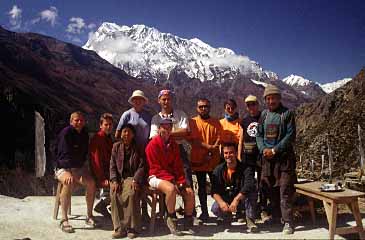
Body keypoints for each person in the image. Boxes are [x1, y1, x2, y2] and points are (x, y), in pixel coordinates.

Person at [256, 84, 297, 235]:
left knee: (284, 190)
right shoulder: (264, 115)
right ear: (265, 100)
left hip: (284, 159)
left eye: (274, 98)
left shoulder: (287, 114)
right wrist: (263, 149)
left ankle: (288, 222)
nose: (271, 101)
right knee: (270, 188)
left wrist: (274, 150)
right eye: (268, 98)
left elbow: (290, 136)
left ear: (279, 98)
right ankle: (276, 216)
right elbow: (258, 135)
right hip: (267, 159)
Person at [146, 118, 195, 236]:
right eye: (164, 128)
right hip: (155, 176)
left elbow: (178, 165)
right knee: (171, 189)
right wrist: (173, 181)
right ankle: (171, 218)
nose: (166, 130)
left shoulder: (173, 145)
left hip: (171, 177)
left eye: (169, 128)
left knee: (189, 192)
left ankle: (188, 220)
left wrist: (181, 181)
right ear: (159, 129)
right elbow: (155, 168)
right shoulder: (152, 145)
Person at [55, 111, 97, 233]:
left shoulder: (84, 134)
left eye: (81, 120)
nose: (79, 123)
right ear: (71, 121)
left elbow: (84, 154)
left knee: (91, 183)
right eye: (76, 120)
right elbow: (62, 155)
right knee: (68, 181)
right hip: (62, 167)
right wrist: (68, 171)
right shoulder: (66, 133)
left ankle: (89, 216)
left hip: (78, 167)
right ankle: (64, 219)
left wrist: (82, 169)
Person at [115, 90, 152, 221]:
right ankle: (135, 211)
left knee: (143, 180)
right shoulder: (127, 114)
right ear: (132, 101)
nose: (138, 101)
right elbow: (118, 133)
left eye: (140, 99)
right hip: (132, 152)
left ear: (143, 101)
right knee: (135, 180)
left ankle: (144, 210)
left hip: (146, 151)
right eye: (135, 99)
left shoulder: (148, 116)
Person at [109, 124, 147, 239]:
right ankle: (119, 228)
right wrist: (114, 180)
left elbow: (142, 166)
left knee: (131, 194)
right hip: (119, 177)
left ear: (133, 135)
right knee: (115, 194)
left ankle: (133, 228)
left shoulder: (138, 147)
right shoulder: (116, 147)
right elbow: (112, 165)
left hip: (132, 177)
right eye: (124, 131)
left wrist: (136, 179)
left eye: (129, 132)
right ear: (120, 134)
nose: (126, 134)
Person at [211, 142, 258, 233]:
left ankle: (250, 220)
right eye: (226, 153)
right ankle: (226, 217)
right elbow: (214, 190)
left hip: (241, 199)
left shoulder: (246, 168)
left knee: (252, 192)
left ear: (236, 153)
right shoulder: (218, 169)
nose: (228, 155)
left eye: (231, 152)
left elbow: (249, 185)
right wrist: (221, 202)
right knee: (215, 208)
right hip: (227, 199)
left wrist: (236, 199)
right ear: (223, 154)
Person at [188, 98, 221, 221]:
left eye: (205, 106)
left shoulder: (216, 122)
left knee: (217, 186)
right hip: (198, 160)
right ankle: (204, 212)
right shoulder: (192, 122)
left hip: (214, 160)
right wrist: (210, 147)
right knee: (201, 188)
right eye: (201, 106)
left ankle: (220, 211)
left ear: (209, 107)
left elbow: (219, 138)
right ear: (197, 108)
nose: (203, 108)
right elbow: (194, 140)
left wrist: (212, 150)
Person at [237, 95, 269, 221]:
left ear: (258, 104)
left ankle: (263, 208)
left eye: (253, 104)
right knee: (248, 183)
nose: (251, 107)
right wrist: (239, 155)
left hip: (261, 156)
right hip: (247, 156)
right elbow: (241, 139)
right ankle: (247, 210)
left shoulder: (264, 118)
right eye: (249, 105)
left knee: (263, 182)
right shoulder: (244, 121)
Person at [89, 113, 114, 217]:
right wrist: (102, 178)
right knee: (118, 187)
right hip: (99, 174)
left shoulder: (108, 138)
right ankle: (102, 205)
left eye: (110, 125)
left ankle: (103, 205)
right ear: (101, 125)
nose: (108, 127)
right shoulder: (98, 139)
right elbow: (96, 162)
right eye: (106, 124)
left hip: (107, 172)